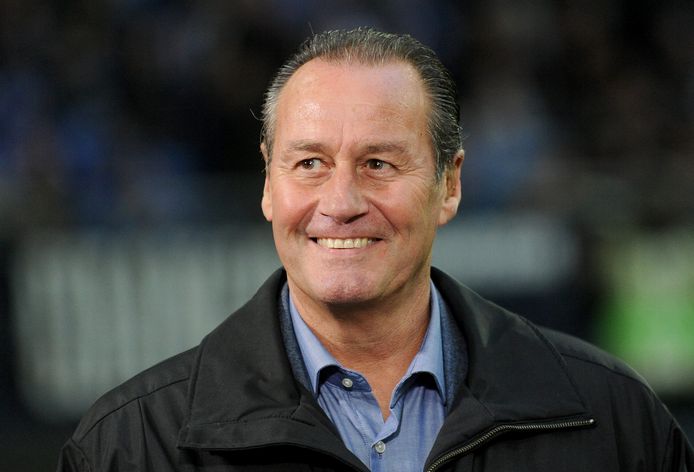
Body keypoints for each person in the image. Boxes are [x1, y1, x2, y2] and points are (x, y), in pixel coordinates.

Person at [57, 27, 693, 472]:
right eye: (310, 163)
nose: (341, 202)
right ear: (269, 186)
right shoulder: (130, 445)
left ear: (450, 186)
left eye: (379, 163)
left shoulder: (613, 420)